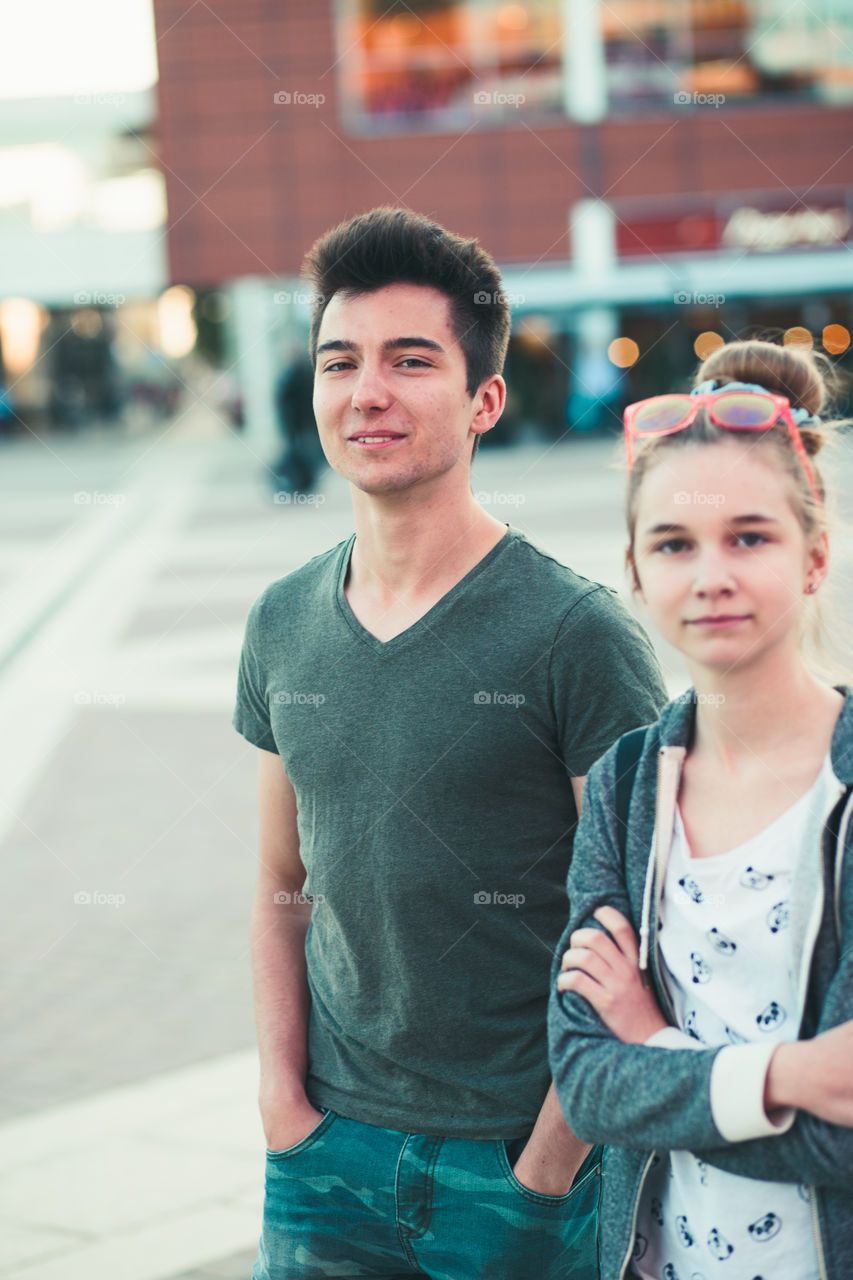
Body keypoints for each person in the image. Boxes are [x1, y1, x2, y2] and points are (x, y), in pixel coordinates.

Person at [233, 205, 668, 1280]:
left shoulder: (579, 634)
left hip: (518, 1159)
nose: (365, 390)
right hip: (323, 1153)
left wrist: (550, 1159)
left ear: (484, 399)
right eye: (340, 361)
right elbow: (281, 878)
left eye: (408, 360)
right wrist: (283, 1105)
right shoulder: (281, 618)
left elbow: (641, 915)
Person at [548, 337, 853, 1280]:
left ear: (813, 557)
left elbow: (845, 1145)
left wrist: (652, 1046)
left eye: (749, 537)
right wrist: (780, 1079)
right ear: (635, 574)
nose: (709, 575)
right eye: (674, 544)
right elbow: (586, 1083)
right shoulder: (626, 784)